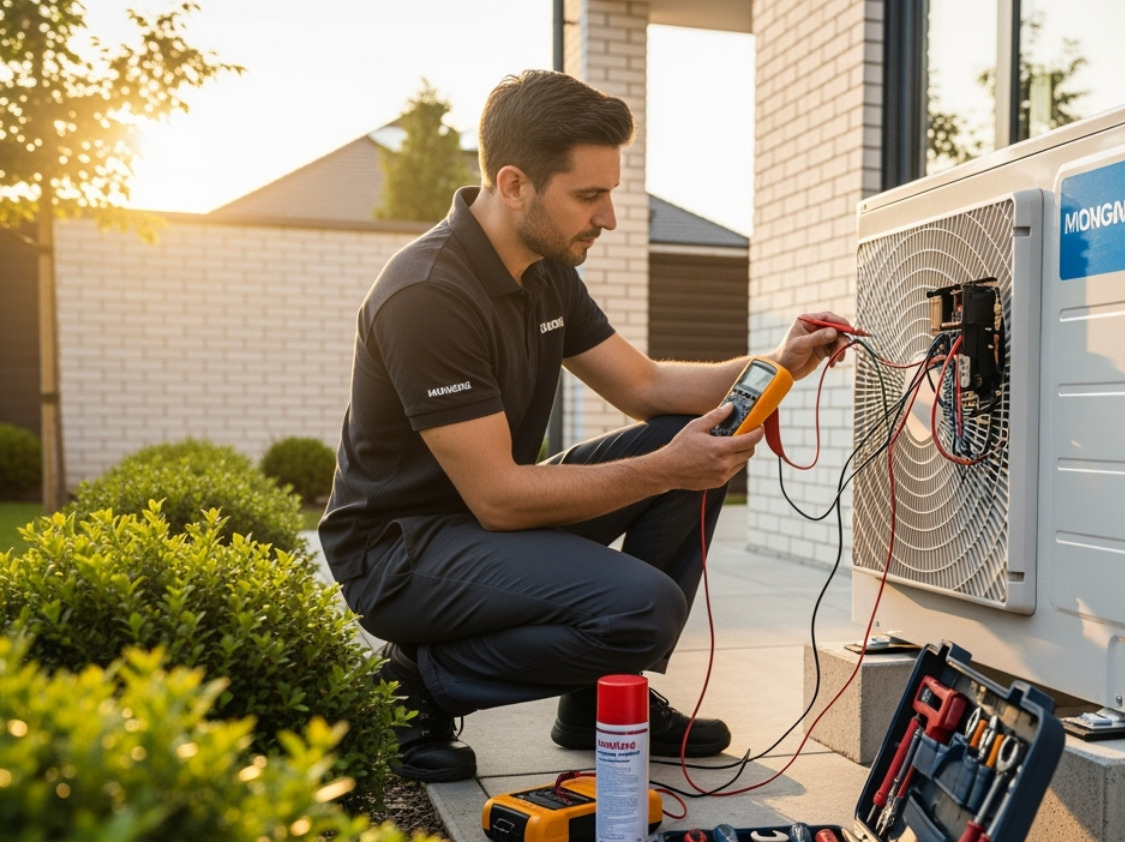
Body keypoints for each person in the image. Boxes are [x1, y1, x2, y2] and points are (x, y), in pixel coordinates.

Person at [319, 69, 848, 783]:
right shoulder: (428, 294)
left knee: (682, 434)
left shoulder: (545, 267)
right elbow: (499, 498)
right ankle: (411, 686)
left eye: (610, 194)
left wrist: (781, 364)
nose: (609, 219)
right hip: (400, 554)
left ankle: (599, 698)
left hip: (479, 522)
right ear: (514, 186)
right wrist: (669, 470)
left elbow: (646, 385)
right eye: (589, 197)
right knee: (644, 605)